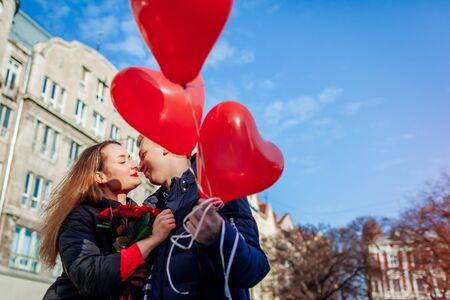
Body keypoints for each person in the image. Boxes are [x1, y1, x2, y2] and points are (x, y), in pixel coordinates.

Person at [137, 135, 270, 300]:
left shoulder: (217, 184)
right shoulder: (150, 208)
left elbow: (254, 269)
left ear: (166, 146)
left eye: (143, 155)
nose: (139, 166)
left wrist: (221, 236)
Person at [40, 141, 176, 300]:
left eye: (130, 159)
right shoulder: (80, 217)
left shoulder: (141, 216)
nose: (135, 166)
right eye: (122, 161)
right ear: (100, 176)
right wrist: (152, 240)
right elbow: (90, 278)